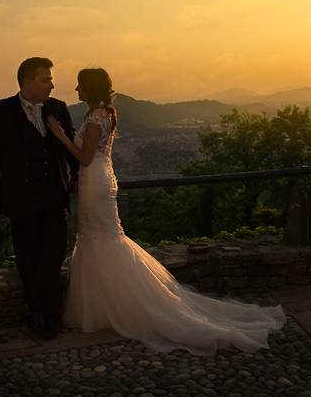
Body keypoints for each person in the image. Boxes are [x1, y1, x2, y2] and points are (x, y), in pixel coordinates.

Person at [46, 68, 287, 355]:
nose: (76, 90)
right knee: (102, 237)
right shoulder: (103, 113)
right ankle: (108, 308)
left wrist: (61, 137)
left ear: (91, 88)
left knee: (100, 238)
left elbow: (85, 158)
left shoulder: (96, 116)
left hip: (94, 181)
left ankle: (120, 308)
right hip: (98, 179)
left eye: (80, 86)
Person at [0, 57, 78, 340]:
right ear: (27, 81)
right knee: (29, 260)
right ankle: (38, 315)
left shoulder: (57, 109)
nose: (52, 85)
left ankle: (46, 314)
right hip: (20, 201)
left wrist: (77, 176)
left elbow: (70, 145)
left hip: (54, 197)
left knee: (53, 257)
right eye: (46, 79)